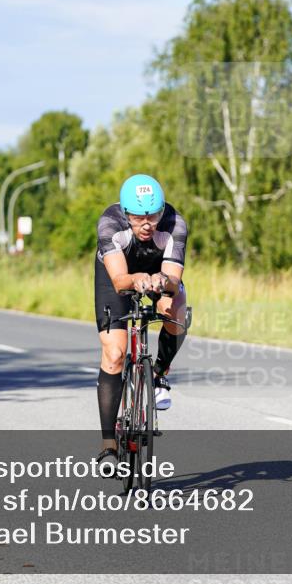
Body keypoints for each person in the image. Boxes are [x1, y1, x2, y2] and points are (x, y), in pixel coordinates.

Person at [93, 174, 189, 469]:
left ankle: (159, 372)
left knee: (177, 308)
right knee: (115, 353)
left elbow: (173, 278)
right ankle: (109, 446)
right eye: (138, 218)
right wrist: (137, 279)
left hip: (157, 271)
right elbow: (121, 280)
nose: (147, 224)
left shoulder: (175, 224)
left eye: (153, 216)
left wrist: (163, 282)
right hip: (119, 277)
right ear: (125, 213)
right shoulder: (110, 223)